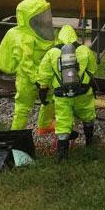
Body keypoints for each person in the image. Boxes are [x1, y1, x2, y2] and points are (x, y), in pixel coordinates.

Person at [37, 24, 98, 161]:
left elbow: (44, 74)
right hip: (82, 93)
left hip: (61, 95)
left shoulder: (52, 53)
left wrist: (43, 90)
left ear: (59, 37)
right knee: (88, 116)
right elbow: (92, 70)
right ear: (75, 36)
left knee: (63, 122)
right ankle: (90, 143)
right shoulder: (84, 50)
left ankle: (62, 155)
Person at [0, 0, 56, 133]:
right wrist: (39, 81)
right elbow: (26, 64)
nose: (45, 19)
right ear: (27, 19)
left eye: (45, 15)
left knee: (49, 101)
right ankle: (16, 134)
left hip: (44, 77)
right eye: (40, 16)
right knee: (23, 107)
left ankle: (45, 125)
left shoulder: (43, 34)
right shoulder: (23, 38)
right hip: (27, 80)